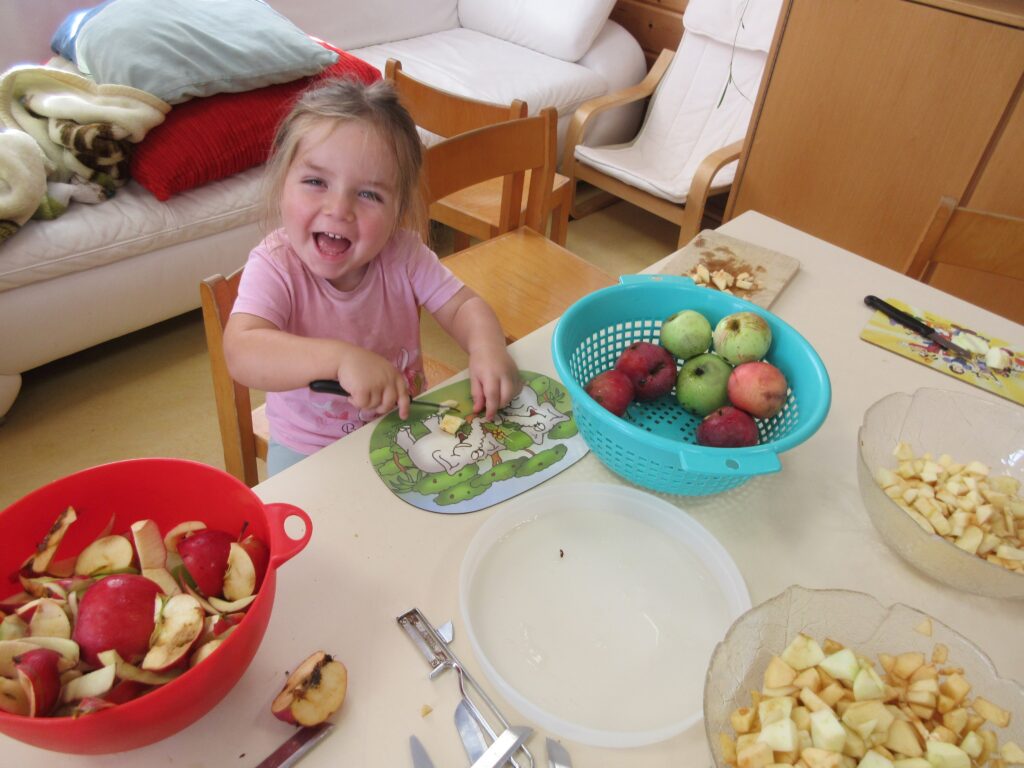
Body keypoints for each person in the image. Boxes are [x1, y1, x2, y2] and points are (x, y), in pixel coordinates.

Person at [224, 77, 521, 476]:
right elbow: (242, 352)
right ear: (282, 184)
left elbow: (463, 305)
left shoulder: (403, 253)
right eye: (316, 182)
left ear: (399, 209)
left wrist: (486, 348)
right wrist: (340, 359)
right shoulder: (275, 266)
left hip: (401, 427)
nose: (339, 209)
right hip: (307, 452)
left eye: (369, 194)